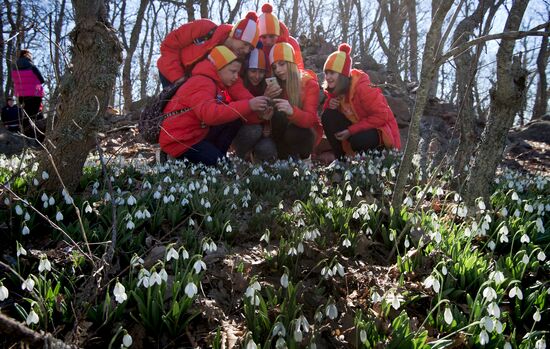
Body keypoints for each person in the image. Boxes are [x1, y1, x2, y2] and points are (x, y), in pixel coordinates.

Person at [159, 46, 270, 166]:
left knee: (234, 120)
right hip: (180, 142)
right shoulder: (203, 82)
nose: (236, 77)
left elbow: (225, 113)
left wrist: (260, 116)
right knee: (225, 167)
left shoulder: (213, 84)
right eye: (233, 72)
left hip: (195, 135)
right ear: (218, 68)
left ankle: (217, 156)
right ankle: (174, 159)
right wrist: (248, 105)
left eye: (237, 73)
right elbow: (210, 115)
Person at [321, 44, 401, 158]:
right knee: (328, 115)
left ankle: (376, 159)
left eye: (332, 73)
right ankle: (341, 160)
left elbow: (382, 116)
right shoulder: (335, 91)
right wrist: (330, 105)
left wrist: (351, 130)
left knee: (359, 140)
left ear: (343, 75)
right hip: (356, 129)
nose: (328, 77)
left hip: (378, 131)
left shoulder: (363, 87)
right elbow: (329, 120)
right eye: (326, 73)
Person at [157, 12, 259, 89]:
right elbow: (169, 45)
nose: (246, 51)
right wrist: (178, 78)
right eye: (245, 44)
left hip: (191, 84)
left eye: (250, 48)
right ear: (235, 35)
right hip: (169, 72)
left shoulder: (238, 59)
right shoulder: (205, 28)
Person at [268, 42, 322, 159]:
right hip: (282, 134)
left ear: (291, 63)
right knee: (277, 116)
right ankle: (283, 161)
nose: (278, 70)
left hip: (305, 134)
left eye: (282, 64)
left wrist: (292, 111)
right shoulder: (277, 85)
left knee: (294, 131)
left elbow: (310, 120)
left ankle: (304, 160)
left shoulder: (309, 84)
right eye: (274, 67)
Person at [232, 49, 280, 161]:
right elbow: (243, 115)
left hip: (262, 133)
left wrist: (268, 125)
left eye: (261, 71)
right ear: (246, 70)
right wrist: (265, 97)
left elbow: (271, 113)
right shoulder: (239, 85)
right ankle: (240, 157)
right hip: (242, 131)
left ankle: (254, 158)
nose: (257, 76)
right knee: (254, 130)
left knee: (267, 148)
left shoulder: (267, 85)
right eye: (253, 71)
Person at [257, 3, 304, 74]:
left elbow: (299, 67)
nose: (268, 41)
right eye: (263, 37)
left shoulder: (291, 43)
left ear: (278, 34)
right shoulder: (257, 47)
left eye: (272, 36)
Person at [11, 49, 46, 140]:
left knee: (27, 116)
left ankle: (27, 136)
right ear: (27, 55)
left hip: (22, 95)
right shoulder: (31, 66)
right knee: (37, 115)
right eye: (30, 54)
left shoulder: (15, 68)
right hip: (35, 94)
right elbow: (42, 80)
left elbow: (15, 82)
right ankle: (40, 137)